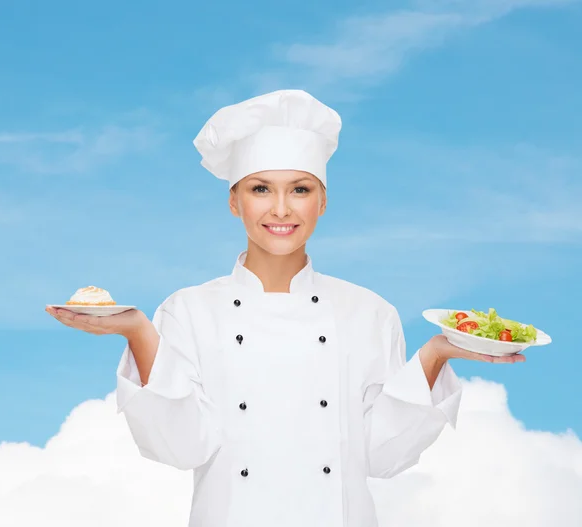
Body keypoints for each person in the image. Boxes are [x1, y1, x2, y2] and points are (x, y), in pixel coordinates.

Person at [45, 89, 525, 527]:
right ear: (234, 202)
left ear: (323, 201)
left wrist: (434, 356)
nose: (280, 209)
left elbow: (381, 456)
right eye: (260, 189)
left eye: (300, 189)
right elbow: (179, 445)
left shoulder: (369, 312)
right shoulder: (188, 310)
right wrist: (139, 334)